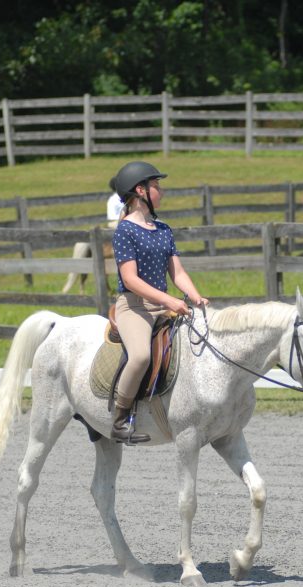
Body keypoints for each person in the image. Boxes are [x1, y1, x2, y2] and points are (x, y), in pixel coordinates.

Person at [109, 161, 209, 443]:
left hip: (164, 306)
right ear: (140, 191)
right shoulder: (125, 231)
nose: (161, 192)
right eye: (156, 186)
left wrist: (195, 297)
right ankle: (120, 419)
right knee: (141, 355)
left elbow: (176, 271)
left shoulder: (163, 228)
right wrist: (171, 301)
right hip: (134, 307)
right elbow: (131, 280)